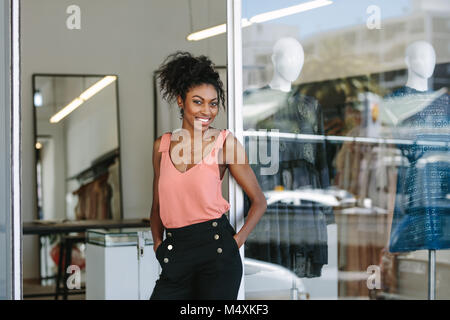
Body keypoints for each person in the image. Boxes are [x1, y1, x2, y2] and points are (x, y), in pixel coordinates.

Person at [149, 51, 267, 300]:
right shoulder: (162, 145)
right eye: (198, 101)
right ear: (181, 101)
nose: (207, 111)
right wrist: (158, 245)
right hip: (176, 253)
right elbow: (157, 206)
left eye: (213, 103)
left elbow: (259, 201)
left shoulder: (225, 143)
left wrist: (234, 244)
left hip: (217, 253)